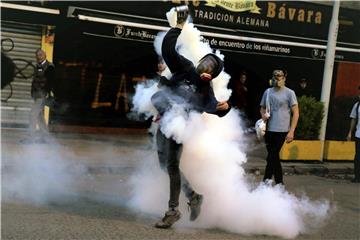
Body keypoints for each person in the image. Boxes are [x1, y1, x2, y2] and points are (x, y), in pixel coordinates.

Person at [151, 6, 230, 229]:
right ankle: (194, 197)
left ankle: (173, 210)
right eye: (207, 61)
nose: (207, 65)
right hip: (165, 121)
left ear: (213, 73)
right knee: (163, 166)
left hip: (180, 127)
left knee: (172, 165)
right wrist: (177, 27)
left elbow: (214, 106)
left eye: (213, 66)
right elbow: (168, 50)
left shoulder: (207, 89)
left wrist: (226, 107)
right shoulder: (185, 68)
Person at [260, 69, 299, 185]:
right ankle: (279, 183)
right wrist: (263, 115)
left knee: (271, 157)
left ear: (284, 78)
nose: (277, 78)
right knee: (274, 157)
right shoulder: (267, 92)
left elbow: (296, 113)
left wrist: (291, 132)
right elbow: (262, 107)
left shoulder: (289, 93)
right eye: (275, 76)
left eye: (280, 76)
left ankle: (265, 182)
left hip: (282, 130)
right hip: (269, 129)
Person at [29, 49, 55, 142]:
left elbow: (51, 81)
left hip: (43, 94)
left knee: (32, 114)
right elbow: (35, 80)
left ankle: (31, 138)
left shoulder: (50, 66)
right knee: (39, 116)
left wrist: (48, 93)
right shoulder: (37, 66)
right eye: (37, 55)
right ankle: (46, 137)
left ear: (45, 55)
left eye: (40, 55)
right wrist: (32, 93)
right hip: (36, 94)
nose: (38, 57)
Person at [346, 86, 360, 183]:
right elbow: (353, 119)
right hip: (359, 134)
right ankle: (357, 176)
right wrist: (350, 133)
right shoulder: (357, 105)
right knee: (358, 156)